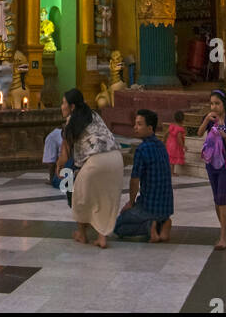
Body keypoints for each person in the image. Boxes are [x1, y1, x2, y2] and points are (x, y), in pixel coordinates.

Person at [56, 87, 123, 249]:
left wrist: (59, 167)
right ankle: (102, 237)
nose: (61, 106)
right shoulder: (93, 114)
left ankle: (81, 233)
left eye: (64, 103)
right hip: (116, 158)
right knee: (104, 197)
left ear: (72, 107)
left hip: (97, 161)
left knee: (78, 195)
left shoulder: (71, 121)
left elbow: (65, 154)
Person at [114, 110, 174, 242]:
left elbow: (135, 180)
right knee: (150, 215)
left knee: (119, 226)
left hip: (149, 206)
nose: (135, 127)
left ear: (150, 128)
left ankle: (149, 226)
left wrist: (131, 202)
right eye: (135, 124)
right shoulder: (161, 146)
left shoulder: (142, 149)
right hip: (166, 207)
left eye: (139, 124)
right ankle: (163, 223)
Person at [197, 89, 226, 250]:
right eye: (212, 103)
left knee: (222, 197)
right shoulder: (209, 119)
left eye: (217, 103)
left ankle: (223, 237)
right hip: (211, 163)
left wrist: (224, 136)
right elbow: (200, 133)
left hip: (225, 165)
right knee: (216, 198)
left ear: (224, 105)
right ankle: (224, 231)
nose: (214, 107)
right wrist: (206, 119)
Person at [165, 110, 186, 176]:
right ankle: (172, 172)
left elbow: (166, 133)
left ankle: (169, 171)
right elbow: (179, 138)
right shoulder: (179, 129)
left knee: (170, 158)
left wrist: (163, 140)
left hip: (169, 144)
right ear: (183, 119)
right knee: (173, 159)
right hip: (175, 145)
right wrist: (183, 146)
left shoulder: (172, 126)